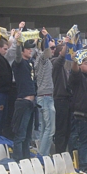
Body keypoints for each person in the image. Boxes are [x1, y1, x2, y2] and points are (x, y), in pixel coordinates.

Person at [68, 56, 87, 173]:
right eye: (86, 63)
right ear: (80, 66)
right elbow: (74, 70)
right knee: (84, 142)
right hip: (84, 115)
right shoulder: (78, 77)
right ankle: (83, 166)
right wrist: (76, 60)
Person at [11, 30, 37, 162]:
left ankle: (26, 160)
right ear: (22, 50)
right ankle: (17, 160)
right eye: (27, 49)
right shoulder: (18, 63)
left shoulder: (30, 63)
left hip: (31, 103)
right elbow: (17, 56)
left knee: (27, 136)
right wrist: (17, 42)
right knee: (20, 134)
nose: (30, 51)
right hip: (23, 102)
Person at [34, 28, 56, 156]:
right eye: (52, 48)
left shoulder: (44, 59)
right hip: (45, 97)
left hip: (44, 97)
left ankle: (41, 155)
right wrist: (46, 36)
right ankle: (43, 156)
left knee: (44, 129)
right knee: (50, 129)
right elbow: (46, 49)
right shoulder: (42, 58)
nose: (53, 50)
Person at [51, 36, 72, 154]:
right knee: (61, 130)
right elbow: (61, 57)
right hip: (59, 100)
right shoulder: (55, 63)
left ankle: (64, 153)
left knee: (67, 130)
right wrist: (67, 43)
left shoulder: (67, 66)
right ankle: (59, 154)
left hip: (68, 100)